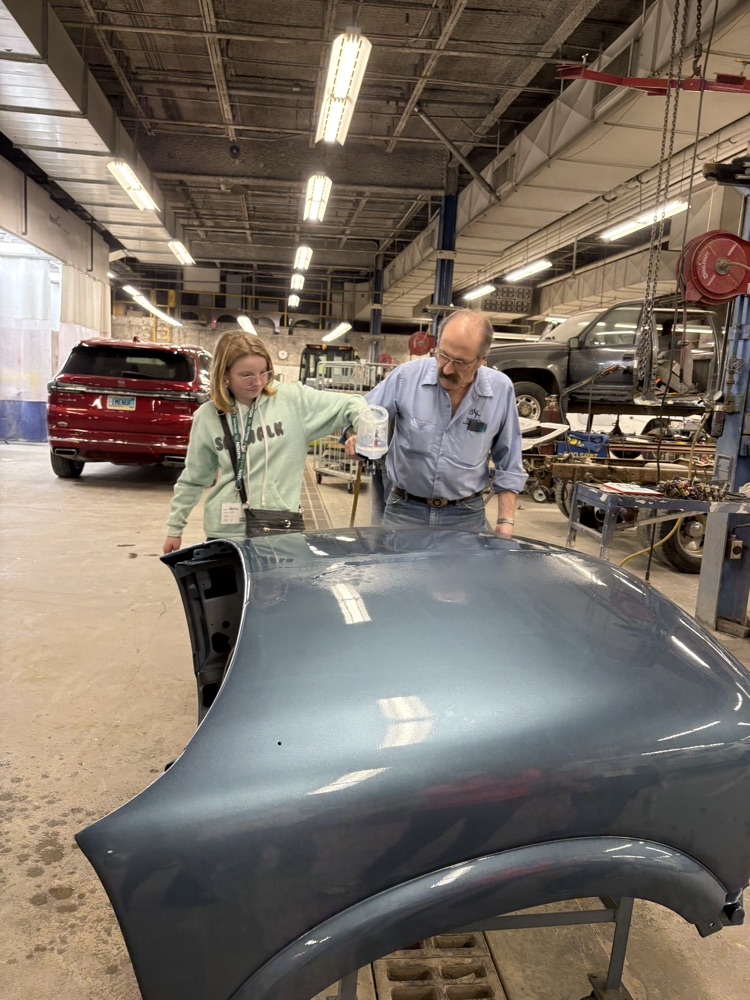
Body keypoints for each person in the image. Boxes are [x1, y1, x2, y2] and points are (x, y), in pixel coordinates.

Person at [163, 331, 366, 552]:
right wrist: (175, 528)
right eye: (247, 375)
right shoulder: (208, 416)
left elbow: (352, 403)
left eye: (264, 372)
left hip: (279, 527)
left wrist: (361, 432)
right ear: (224, 375)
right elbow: (194, 478)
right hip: (224, 533)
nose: (258, 382)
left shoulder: (293, 401)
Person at [345, 310, 527, 535]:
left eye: (460, 362)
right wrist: (355, 435)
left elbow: (509, 458)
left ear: (482, 360)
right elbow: (362, 411)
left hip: (465, 515)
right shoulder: (406, 378)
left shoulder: (501, 390)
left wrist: (505, 519)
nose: (447, 369)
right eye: (443, 355)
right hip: (405, 511)